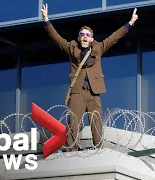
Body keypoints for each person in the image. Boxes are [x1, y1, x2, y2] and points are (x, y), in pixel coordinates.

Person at [41, 3, 138, 152]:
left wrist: (130, 23)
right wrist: (46, 20)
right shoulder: (71, 48)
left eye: (88, 35)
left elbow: (114, 37)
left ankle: (98, 150)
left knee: (96, 122)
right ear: (79, 38)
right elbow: (56, 38)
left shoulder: (98, 48)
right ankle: (70, 151)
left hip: (94, 92)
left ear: (92, 38)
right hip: (78, 92)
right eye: (82, 35)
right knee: (73, 123)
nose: (85, 37)